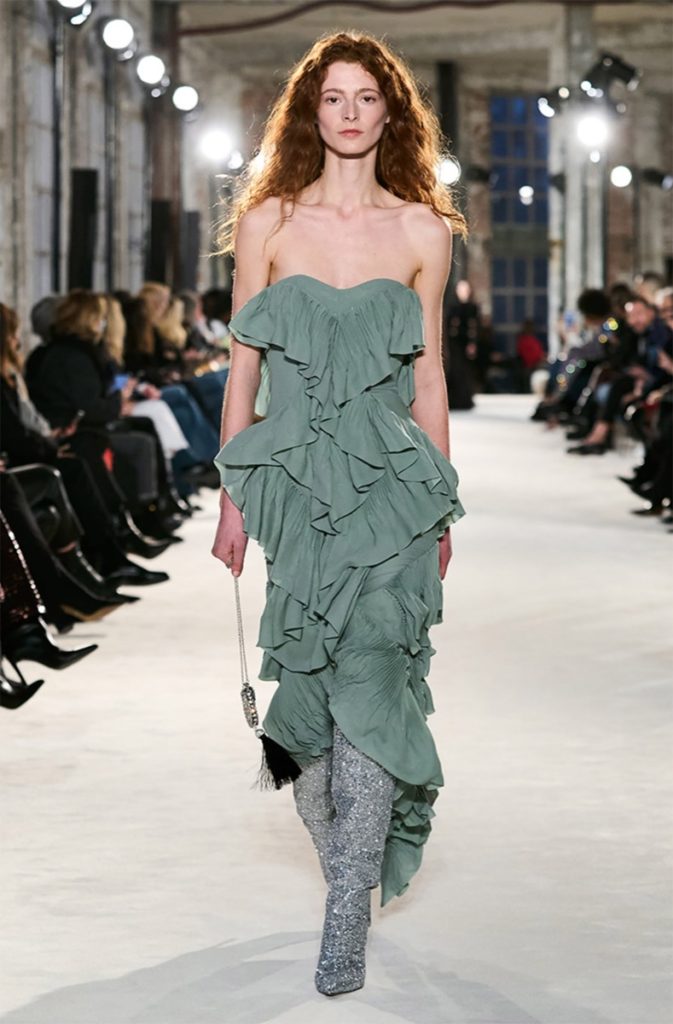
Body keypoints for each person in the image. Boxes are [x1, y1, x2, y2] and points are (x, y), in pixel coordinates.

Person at [210, 31, 466, 996]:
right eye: (332, 98)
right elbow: (242, 372)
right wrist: (232, 498)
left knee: (371, 686)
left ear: (389, 111)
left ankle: (345, 916)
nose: (350, 113)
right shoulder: (268, 224)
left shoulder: (423, 231)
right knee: (303, 718)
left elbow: (429, 379)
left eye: (365, 97)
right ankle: (347, 866)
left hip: (394, 492)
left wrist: (440, 505)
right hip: (295, 488)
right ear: (308, 112)